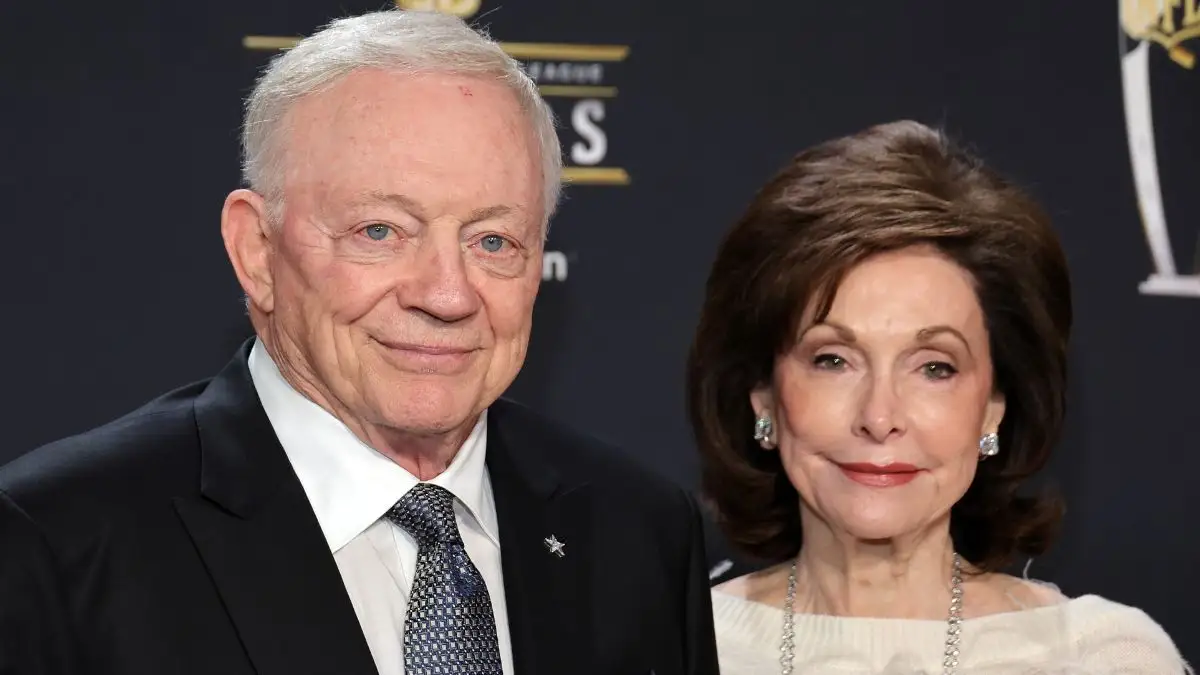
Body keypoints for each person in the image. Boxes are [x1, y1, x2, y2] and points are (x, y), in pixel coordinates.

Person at [0, 9, 718, 675]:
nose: (447, 294)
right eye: (381, 231)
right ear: (257, 251)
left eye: (494, 240)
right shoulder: (55, 543)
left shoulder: (638, 531)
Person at [685, 120, 1190, 674]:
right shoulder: (677, 648)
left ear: (994, 407)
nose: (879, 417)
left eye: (934, 367)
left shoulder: (1102, 660)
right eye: (833, 360)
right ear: (763, 396)